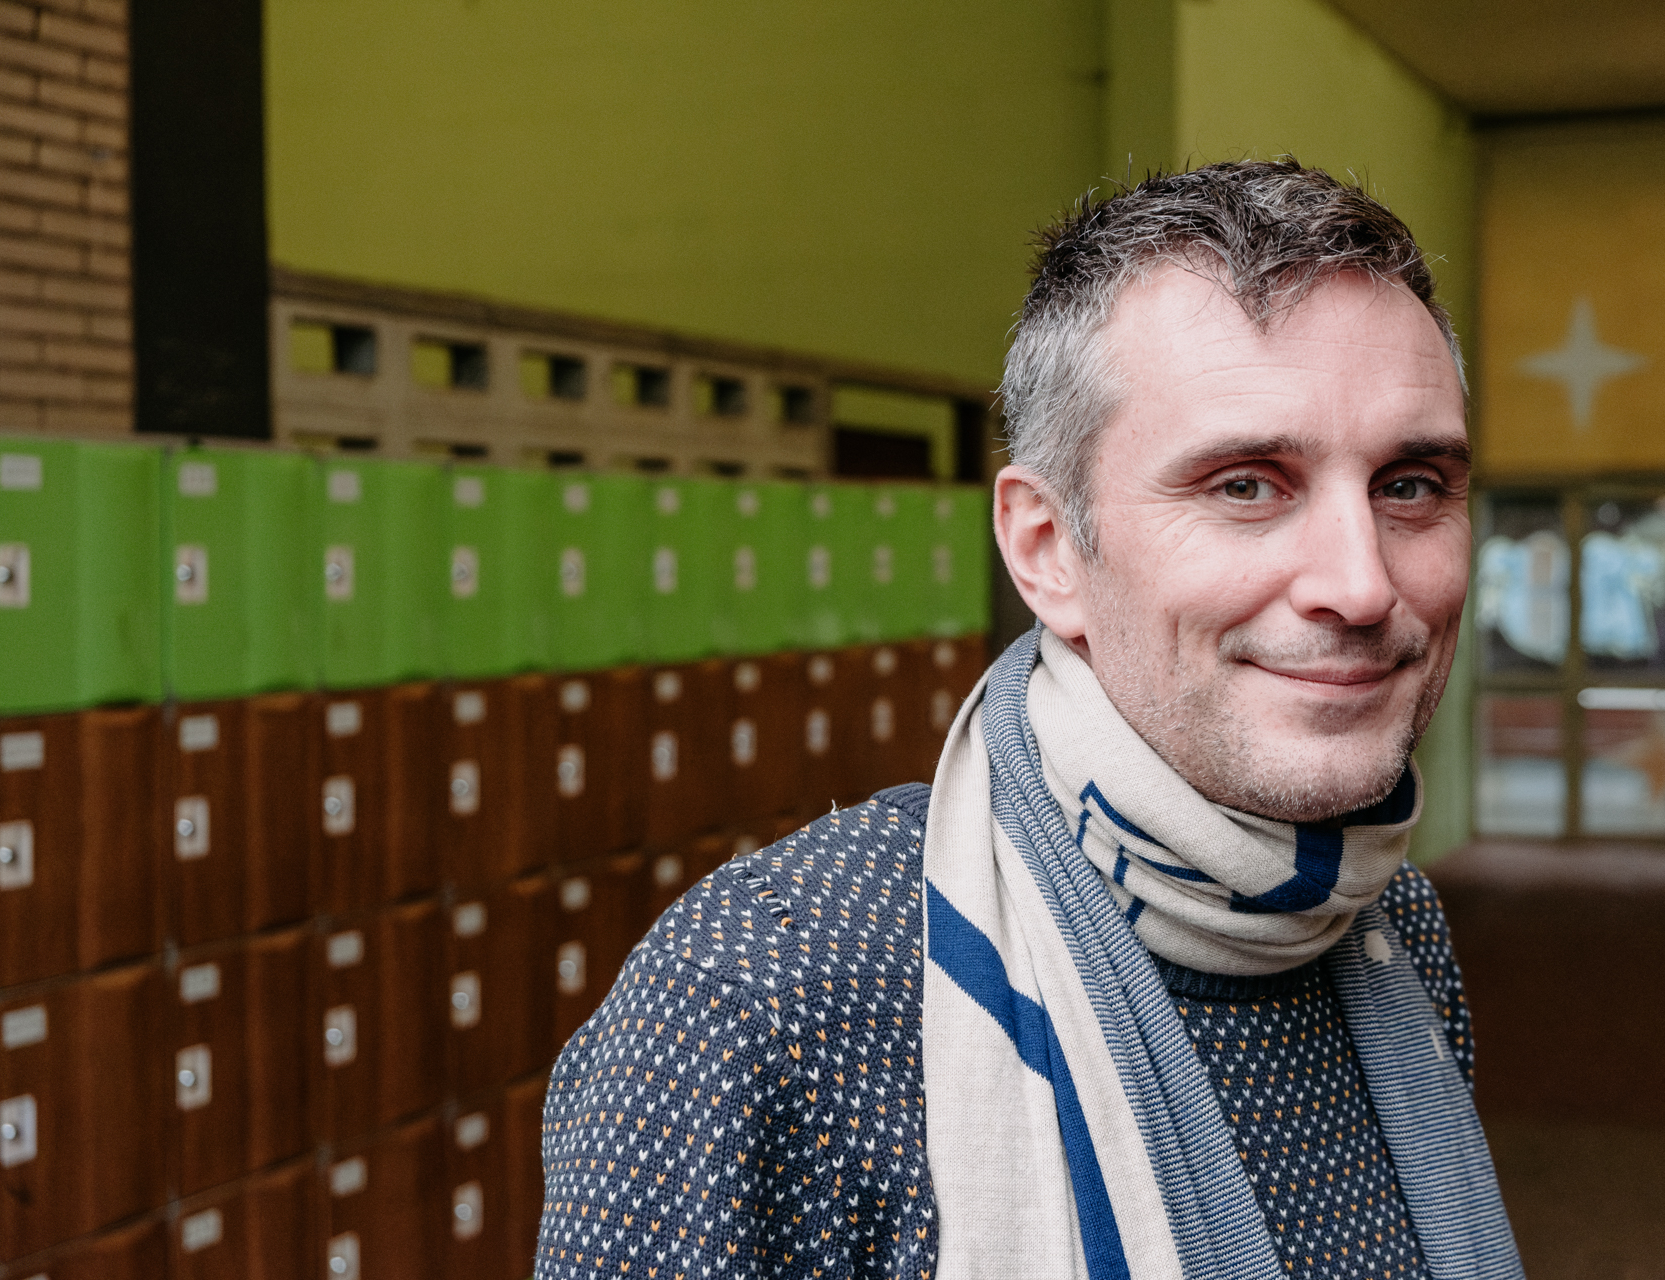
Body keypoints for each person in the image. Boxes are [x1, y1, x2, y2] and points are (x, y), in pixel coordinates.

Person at [534, 161, 1522, 1280]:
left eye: (1411, 484)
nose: (1360, 581)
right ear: (1048, 548)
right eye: (1246, 484)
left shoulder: (1393, 927)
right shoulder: (770, 992)